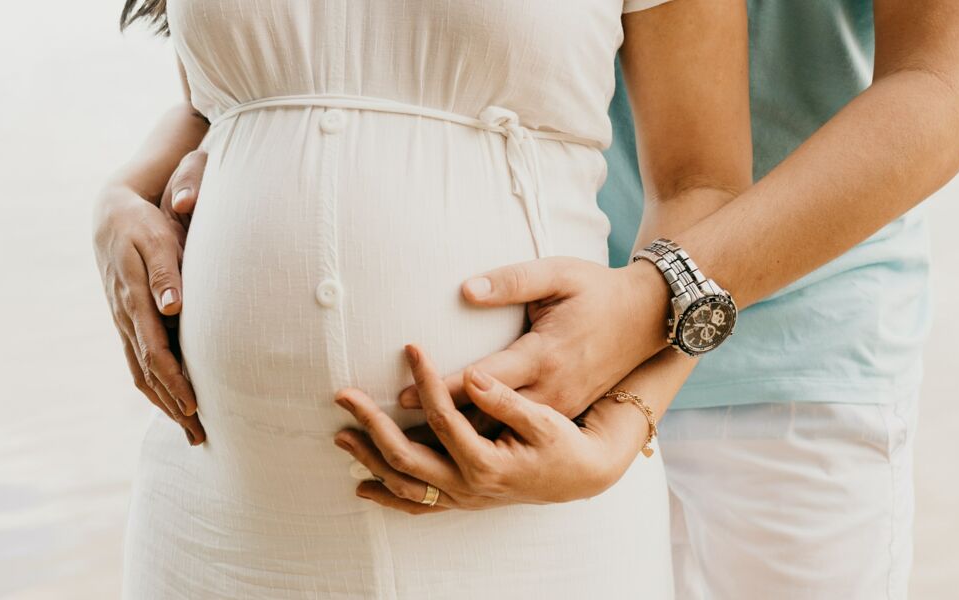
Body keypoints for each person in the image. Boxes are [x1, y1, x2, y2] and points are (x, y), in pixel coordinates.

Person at [121, 1, 959, 598]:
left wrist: (644, 338)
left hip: (787, 354)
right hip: (530, 346)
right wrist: (126, 193)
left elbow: (940, 87)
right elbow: (322, 62)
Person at [93, 0, 752, 597]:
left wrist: (626, 420)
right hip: (219, 512)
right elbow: (220, 101)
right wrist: (124, 195)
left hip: (530, 519)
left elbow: (702, 184)